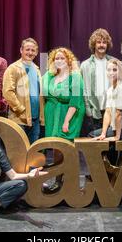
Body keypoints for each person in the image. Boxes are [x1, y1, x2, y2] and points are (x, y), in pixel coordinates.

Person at [42, 47, 85, 191]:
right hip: (52, 115)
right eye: (56, 58)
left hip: (70, 114)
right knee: (56, 148)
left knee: (66, 147)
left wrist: (66, 121)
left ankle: (69, 182)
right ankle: (58, 181)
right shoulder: (49, 75)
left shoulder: (75, 76)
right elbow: (45, 96)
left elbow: (75, 101)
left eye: (62, 58)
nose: (59, 61)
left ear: (68, 60)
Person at [3, 38, 44, 144]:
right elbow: (8, 92)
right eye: (27, 49)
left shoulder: (37, 69)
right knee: (18, 151)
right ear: (21, 50)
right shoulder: (13, 68)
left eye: (33, 50)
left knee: (33, 151)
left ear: (36, 52)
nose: (30, 52)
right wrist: (20, 109)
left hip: (35, 119)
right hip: (19, 118)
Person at [89, 58, 122, 141]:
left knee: (93, 135)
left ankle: (114, 153)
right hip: (118, 128)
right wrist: (103, 134)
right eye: (109, 70)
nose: (111, 73)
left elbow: (118, 114)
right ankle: (110, 153)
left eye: (115, 70)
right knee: (95, 135)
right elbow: (108, 112)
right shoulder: (110, 89)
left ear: (120, 72)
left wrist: (117, 137)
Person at [80, 28, 114, 136]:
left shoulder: (114, 62)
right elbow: (83, 88)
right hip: (94, 111)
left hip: (111, 109)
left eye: (104, 42)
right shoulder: (85, 65)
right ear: (94, 44)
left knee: (112, 145)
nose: (101, 45)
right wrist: (87, 109)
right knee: (95, 144)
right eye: (99, 42)